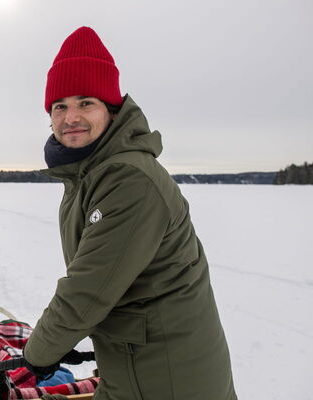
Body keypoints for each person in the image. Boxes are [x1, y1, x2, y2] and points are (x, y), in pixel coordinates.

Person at [21, 27, 237, 400]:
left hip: (167, 375)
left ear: (111, 108)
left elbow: (86, 291)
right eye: (60, 106)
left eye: (85, 102)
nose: (70, 116)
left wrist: (38, 355)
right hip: (136, 360)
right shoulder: (89, 175)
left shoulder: (127, 178)